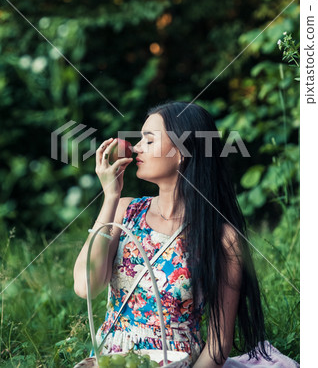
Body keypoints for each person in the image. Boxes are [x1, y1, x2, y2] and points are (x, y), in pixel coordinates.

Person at [73, 101, 299, 367]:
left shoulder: (222, 238)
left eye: (149, 140)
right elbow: (85, 287)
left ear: (182, 152)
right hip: (114, 359)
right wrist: (111, 196)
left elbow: (217, 346)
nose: (135, 148)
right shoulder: (125, 210)